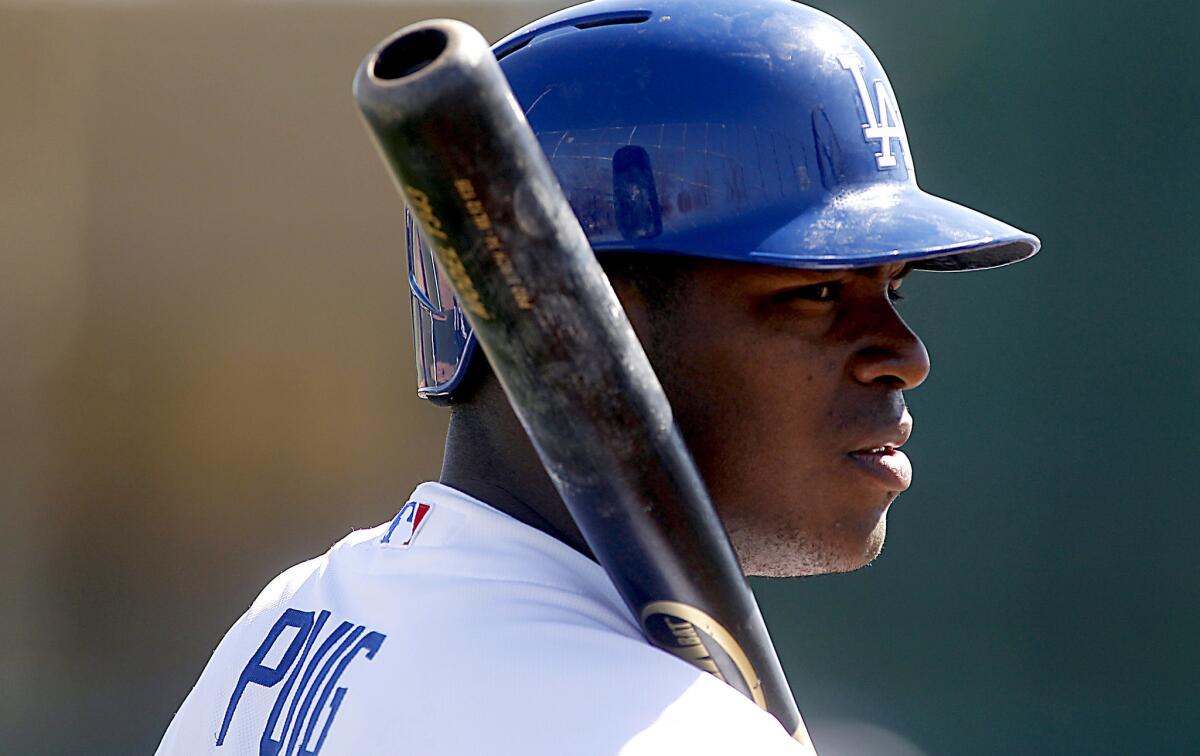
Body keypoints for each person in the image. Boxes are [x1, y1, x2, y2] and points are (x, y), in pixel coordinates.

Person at [156, 0, 1039, 753]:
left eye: (891, 287)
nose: (905, 354)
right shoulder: (656, 730)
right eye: (814, 292)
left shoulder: (303, 613)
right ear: (573, 321)